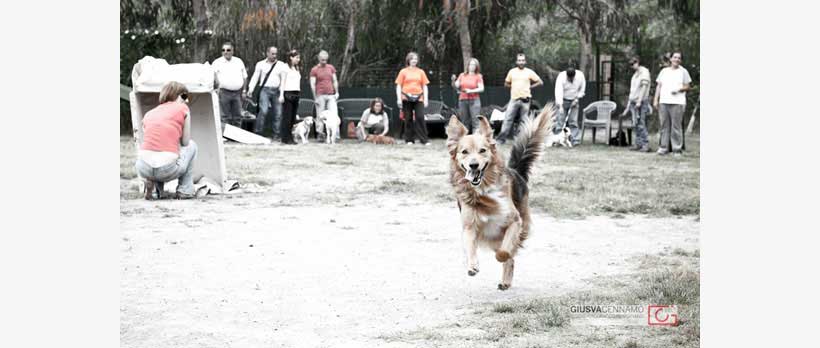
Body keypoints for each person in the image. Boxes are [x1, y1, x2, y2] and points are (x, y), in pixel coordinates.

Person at [135, 81, 198, 200]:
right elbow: (185, 142)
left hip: (143, 166)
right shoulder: (183, 108)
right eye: (184, 96)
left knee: (156, 150)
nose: (186, 100)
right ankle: (185, 190)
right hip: (167, 169)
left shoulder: (149, 114)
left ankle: (155, 189)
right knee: (192, 145)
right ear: (176, 95)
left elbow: (151, 142)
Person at [496, 53, 543, 144]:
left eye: (522, 60)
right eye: (519, 60)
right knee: (507, 119)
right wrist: (514, 87)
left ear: (525, 61)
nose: (521, 62)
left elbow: (540, 82)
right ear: (516, 61)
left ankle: (519, 140)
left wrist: (530, 87)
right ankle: (500, 139)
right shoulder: (512, 71)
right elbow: (506, 83)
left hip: (525, 100)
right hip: (514, 99)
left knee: (523, 121)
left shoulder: (529, 72)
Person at [653, 51, 692, 156]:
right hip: (664, 102)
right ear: (670, 59)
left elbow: (688, 86)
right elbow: (659, 86)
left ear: (681, 60)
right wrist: (656, 100)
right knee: (664, 126)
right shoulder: (664, 71)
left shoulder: (683, 71)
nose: (676, 60)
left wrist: (679, 89)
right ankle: (663, 148)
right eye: (675, 57)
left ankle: (676, 150)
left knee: (676, 127)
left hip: (677, 103)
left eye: (679, 58)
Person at [247, 46, 287, 139]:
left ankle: (276, 134)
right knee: (263, 111)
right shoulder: (260, 64)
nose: (274, 56)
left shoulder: (281, 65)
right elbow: (255, 77)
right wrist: (251, 89)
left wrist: (282, 94)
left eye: (276, 54)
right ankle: (258, 132)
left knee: (278, 113)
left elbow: (283, 81)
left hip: (276, 90)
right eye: (272, 54)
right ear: (267, 53)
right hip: (264, 89)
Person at [395, 52, 431, 145]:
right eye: (412, 59)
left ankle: (424, 140)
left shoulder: (421, 72)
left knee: (420, 117)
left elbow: (425, 86)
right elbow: (399, 85)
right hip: (406, 97)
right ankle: (409, 139)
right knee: (408, 118)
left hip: (419, 97)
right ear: (408, 60)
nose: (414, 60)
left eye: (415, 59)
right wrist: (399, 99)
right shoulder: (403, 71)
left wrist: (426, 99)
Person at [212, 42, 247, 127]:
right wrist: (217, 87)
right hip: (224, 92)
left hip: (237, 93)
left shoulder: (238, 61)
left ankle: (236, 136)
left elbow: (245, 77)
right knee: (224, 116)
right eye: (223, 50)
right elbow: (213, 76)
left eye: (228, 50)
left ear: (232, 51)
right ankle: (224, 137)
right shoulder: (217, 62)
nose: (225, 52)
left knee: (238, 115)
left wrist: (244, 91)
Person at [620, 57, 652, 152]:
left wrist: (639, 101)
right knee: (635, 124)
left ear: (637, 62)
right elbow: (632, 91)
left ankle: (645, 144)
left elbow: (644, 87)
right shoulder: (635, 75)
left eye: (633, 64)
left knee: (641, 123)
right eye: (630, 64)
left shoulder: (644, 72)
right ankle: (638, 144)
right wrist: (628, 106)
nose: (632, 66)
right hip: (633, 101)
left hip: (641, 102)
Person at [310, 50, 340, 141]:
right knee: (320, 115)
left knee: (334, 114)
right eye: (322, 60)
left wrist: (337, 92)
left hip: (331, 95)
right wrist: (315, 97)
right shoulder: (314, 69)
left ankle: (336, 134)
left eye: (326, 60)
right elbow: (312, 84)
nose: (324, 62)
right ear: (319, 59)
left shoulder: (331, 68)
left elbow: (334, 80)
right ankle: (320, 134)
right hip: (320, 95)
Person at [450, 58, 484, 134]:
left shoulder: (478, 76)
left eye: (474, 65)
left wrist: (470, 91)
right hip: (463, 100)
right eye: (471, 64)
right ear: (468, 65)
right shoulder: (462, 75)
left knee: (475, 122)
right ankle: (465, 140)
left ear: (477, 66)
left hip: (474, 101)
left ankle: (476, 140)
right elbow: (456, 86)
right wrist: (453, 80)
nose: (472, 66)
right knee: (464, 121)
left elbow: (481, 88)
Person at [554, 65, 586, 146]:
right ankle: (558, 139)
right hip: (563, 100)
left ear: (575, 75)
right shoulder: (561, 77)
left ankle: (574, 140)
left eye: (572, 78)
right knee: (560, 120)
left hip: (574, 100)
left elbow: (582, 89)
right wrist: (560, 106)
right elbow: (558, 91)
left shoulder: (580, 76)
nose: (571, 80)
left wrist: (577, 98)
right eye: (569, 78)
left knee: (573, 121)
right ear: (566, 75)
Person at [278, 49, 302, 145]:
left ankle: (290, 136)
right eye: (296, 57)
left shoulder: (297, 68)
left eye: (299, 58)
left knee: (293, 118)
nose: (298, 60)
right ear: (291, 57)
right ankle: (285, 137)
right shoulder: (285, 67)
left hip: (296, 93)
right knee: (287, 117)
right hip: (288, 93)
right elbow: (282, 82)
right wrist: (281, 95)